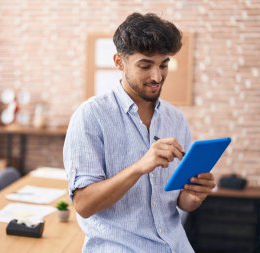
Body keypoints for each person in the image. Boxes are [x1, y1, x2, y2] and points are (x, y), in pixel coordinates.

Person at [63, 12, 216, 253]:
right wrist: (140, 166)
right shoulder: (91, 116)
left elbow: (180, 203)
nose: (157, 77)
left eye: (164, 65)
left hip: (177, 246)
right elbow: (83, 204)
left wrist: (194, 196)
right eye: (145, 65)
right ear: (119, 62)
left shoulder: (175, 119)